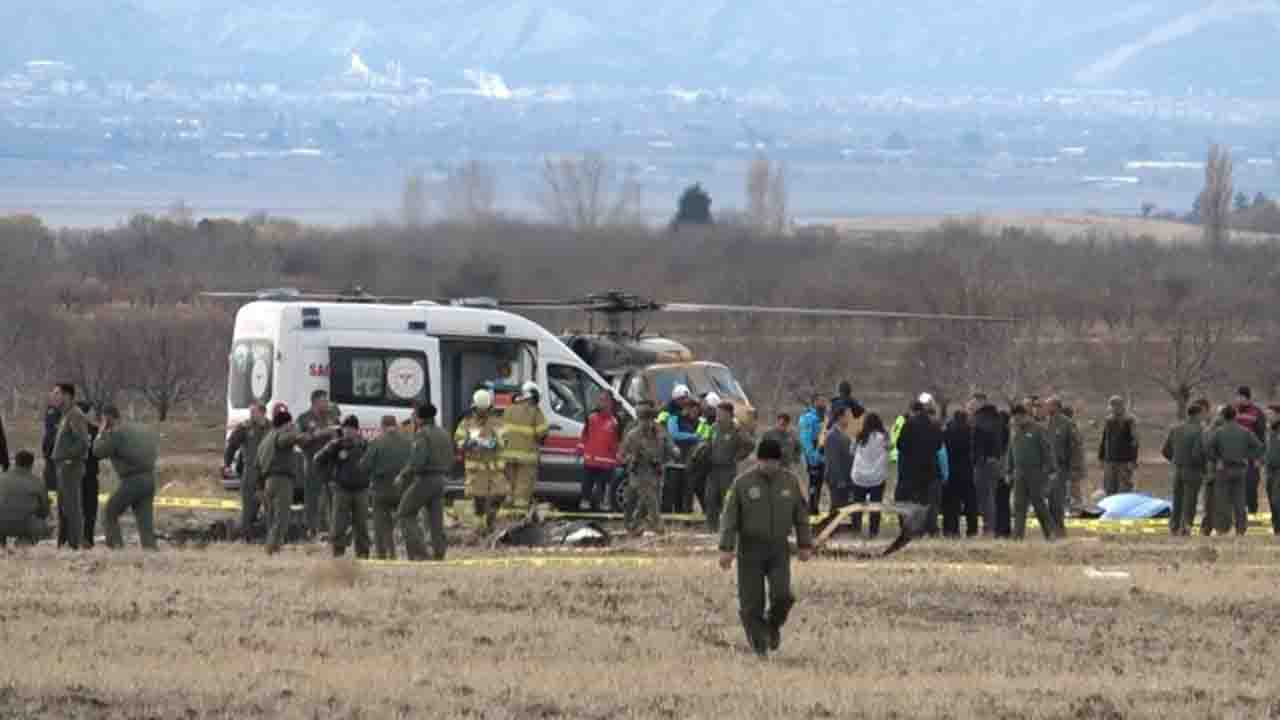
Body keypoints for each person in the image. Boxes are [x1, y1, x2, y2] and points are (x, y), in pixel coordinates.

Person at [718, 437, 813, 658]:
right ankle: (759, 646)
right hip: (750, 549)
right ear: (758, 460)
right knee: (752, 604)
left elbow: (801, 515)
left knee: (783, 595)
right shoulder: (742, 484)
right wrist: (726, 548)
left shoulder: (790, 482)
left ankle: (772, 626)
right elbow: (729, 518)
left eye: (774, 462)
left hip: (779, 548)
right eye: (766, 462)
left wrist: (805, 543)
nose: (770, 466)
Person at [92, 405, 160, 550]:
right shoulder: (140, 429)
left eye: (103, 419)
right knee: (145, 521)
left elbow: (98, 451)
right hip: (149, 478)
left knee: (110, 512)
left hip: (132, 481)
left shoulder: (116, 433)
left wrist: (100, 433)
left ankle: (117, 549)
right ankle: (151, 552)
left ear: (107, 417)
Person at [397, 403, 453, 561]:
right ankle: (439, 554)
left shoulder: (422, 434)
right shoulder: (443, 433)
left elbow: (417, 461)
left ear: (421, 418)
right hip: (442, 479)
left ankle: (419, 553)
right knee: (436, 520)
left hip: (426, 479)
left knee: (405, 513)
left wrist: (402, 475)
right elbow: (450, 457)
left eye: (415, 416)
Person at [619, 400, 679, 536]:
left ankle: (634, 526)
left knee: (647, 503)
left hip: (656, 472)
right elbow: (621, 454)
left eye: (650, 419)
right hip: (639, 473)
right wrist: (631, 458)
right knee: (650, 501)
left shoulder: (660, 432)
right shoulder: (632, 434)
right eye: (643, 419)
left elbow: (670, 445)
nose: (647, 423)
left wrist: (674, 451)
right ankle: (659, 528)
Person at [314, 415, 370, 558]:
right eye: (346, 428)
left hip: (361, 490)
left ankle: (363, 554)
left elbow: (373, 463)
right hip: (341, 490)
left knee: (361, 525)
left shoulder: (365, 445)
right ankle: (338, 553)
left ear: (357, 430)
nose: (348, 431)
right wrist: (327, 477)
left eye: (351, 428)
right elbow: (318, 459)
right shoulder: (336, 445)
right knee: (338, 524)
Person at [361, 415, 413, 560]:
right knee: (406, 521)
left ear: (382, 426)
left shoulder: (377, 442)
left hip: (382, 489)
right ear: (395, 425)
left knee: (381, 525)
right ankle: (412, 553)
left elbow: (365, 466)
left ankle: (383, 554)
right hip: (403, 488)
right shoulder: (408, 442)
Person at [1206, 405, 1263, 536]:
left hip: (1223, 469)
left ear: (1223, 417)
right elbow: (1259, 447)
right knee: (1240, 500)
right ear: (1235, 416)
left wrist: (1217, 459)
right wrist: (1248, 457)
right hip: (1240, 469)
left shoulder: (1219, 432)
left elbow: (1208, 449)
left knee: (1222, 500)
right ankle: (1241, 529)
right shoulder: (1245, 431)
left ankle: (1222, 529)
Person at [455, 389, 507, 532]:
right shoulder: (466, 423)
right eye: (480, 410)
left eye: (485, 410)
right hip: (476, 469)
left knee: (501, 493)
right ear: (475, 407)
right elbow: (458, 441)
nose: (482, 413)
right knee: (479, 498)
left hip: (494, 469)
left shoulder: (497, 423)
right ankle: (480, 527)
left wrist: (494, 443)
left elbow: (505, 440)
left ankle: (491, 517)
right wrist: (467, 443)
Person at [1006, 405, 1058, 541]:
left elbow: (1047, 451)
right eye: (1014, 419)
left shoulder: (1038, 430)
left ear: (1025, 416)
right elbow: (1010, 452)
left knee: (1039, 504)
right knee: (1019, 506)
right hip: (1019, 474)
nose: (1016, 421)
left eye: (1018, 418)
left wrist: (1050, 470)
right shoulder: (1014, 431)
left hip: (1036, 473)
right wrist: (1008, 471)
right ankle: (1017, 537)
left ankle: (1050, 534)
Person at [259, 404, 305, 555]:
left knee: (272, 519)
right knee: (282, 519)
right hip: (281, 481)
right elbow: (287, 440)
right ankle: (273, 549)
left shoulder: (267, 438)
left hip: (268, 482)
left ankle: (270, 547)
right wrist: (297, 431)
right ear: (285, 424)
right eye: (289, 423)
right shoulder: (281, 435)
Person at [296, 389, 341, 538]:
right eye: (324, 401)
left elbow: (339, 434)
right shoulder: (304, 418)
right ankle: (311, 529)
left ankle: (331, 529)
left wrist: (335, 435)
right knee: (312, 497)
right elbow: (298, 439)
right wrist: (317, 434)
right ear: (315, 402)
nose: (326, 404)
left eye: (327, 401)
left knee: (331, 497)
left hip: (330, 463)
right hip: (312, 462)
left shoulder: (331, 417)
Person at [50, 383, 90, 550]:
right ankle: (69, 543)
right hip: (63, 467)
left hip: (70, 467)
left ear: (67, 396)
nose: (53, 396)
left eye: (57, 393)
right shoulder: (65, 415)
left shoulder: (75, 414)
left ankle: (76, 545)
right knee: (65, 507)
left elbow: (82, 442)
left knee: (72, 507)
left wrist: (68, 458)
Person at [704, 401, 754, 532]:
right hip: (712, 469)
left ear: (729, 414)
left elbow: (750, 444)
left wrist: (738, 457)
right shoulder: (713, 427)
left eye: (720, 413)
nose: (718, 415)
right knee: (710, 498)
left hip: (728, 469)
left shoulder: (736, 428)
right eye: (717, 413)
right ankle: (711, 527)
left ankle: (729, 527)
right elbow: (705, 442)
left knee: (727, 499)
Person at [224, 400, 269, 541]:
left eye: (253, 412)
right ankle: (245, 538)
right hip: (250, 471)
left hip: (268, 472)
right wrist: (227, 464)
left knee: (270, 506)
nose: (251, 415)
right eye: (250, 412)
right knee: (248, 507)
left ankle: (270, 536)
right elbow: (232, 446)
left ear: (262, 412)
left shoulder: (272, 427)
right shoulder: (245, 427)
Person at [894, 399, 943, 529]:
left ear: (912, 411)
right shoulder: (933, 424)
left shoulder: (909, 424)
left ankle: (914, 527)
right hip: (929, 469)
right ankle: (927, 527)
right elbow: (938, 445)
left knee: (911, 500)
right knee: (925, 500)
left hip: (911, 470)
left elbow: (900, 445)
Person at [59, 401, 101, 548]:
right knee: (89, 510)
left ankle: (64, 540)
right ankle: (87, 539)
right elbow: (99, 452)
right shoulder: (95, 430)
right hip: (89, 474)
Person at [503, 381, 549, 513]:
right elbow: (542, 433)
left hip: (508, 456)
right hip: (527, 457)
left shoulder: (509, 409)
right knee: (522, 490)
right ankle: (519, 515)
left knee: (510, 487)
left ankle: (506, 515)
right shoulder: (535, 411)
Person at [1162, 403, 1206, 536]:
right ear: (1198, 414)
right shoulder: (1200, 430)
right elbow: (1198, 453)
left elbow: (1165, 451)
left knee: (1177, 499)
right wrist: (1203, 468)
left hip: (1178, 469)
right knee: (1190, 500)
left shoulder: (1175, 429)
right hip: (1193, 470)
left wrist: (1176, 461)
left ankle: (1173, 526)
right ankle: (1186, 527)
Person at [1043, 396, 1080, 536]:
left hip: (1061, 467)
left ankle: (1059, 529)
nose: (1046, 408)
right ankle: (1051, 528)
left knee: (1057, 499)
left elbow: (1075, 447)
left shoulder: (1067, 424)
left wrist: (1074, 468)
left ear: (1056, 407)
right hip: (1046, 468)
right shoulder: (1045, 423)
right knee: (1049, 498)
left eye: (1049, 406)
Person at [850, 412, 890, 538]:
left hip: (859, 476)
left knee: (857, 506)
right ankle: (873, 532)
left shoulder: (859, 436)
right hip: (877, 477)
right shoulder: (883, 437)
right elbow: (890, 448)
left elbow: (851, 451)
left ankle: (856, 530)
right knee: (875, 506)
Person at [579, 391, 620, 512]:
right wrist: (580, 448)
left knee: (602, 485)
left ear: (611, 403)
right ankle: (585, 501)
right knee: (587, 484)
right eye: (600, 400)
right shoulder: (591, 418)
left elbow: (617, 441)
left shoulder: (615, 421)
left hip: (606, 461)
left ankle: (601, 504)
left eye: (605, 400)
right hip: (590, 459)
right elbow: (584, 435)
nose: (602, 403)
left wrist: (618, 455)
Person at [0, 451, 51, 546]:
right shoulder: (37, 482)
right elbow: (45, 511)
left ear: (15, 462)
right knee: (44, 526)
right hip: (24, 525)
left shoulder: (2, 478)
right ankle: (24, 543)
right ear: (31, 465)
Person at [942, 408, 978, 537]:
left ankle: (952, 530)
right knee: (970, 503)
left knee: (951, 504)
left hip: (951, 471)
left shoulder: (947, 433)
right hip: (967, 471)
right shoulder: (971, 432)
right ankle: (972, 530)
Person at [1233, 386, 1267, 514]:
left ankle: (1252, 512)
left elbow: (1261, 436)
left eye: (1239, 397)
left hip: (1252, 456)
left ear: (1246, 398)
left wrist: (1260, 457)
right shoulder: (1233, 411)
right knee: (1236, 486)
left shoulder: (1257, 412)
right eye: (1237, 397)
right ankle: (1238, 514)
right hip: (1235, 455)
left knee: (1251, 485)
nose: (1237, 399)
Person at [1098, 395, 1139, 496]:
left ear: (1121, 406)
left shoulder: (1129, 420)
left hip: (1124, 461)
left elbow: (1135, 441)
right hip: (1110, 460)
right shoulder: (1108, 420)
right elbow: (1104, 439)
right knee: (1109, 488)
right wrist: (1101, 457)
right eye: (1112, 406)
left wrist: (1133, 460)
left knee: (1124, 490)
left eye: (1115, 405)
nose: (1113, 408)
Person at [822, 407, 854, 515]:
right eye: (847, 417)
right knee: (836, 508)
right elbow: (833, 460)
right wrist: (840, 480)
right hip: (837, 479)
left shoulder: (843, 434)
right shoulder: (832, 436)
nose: (849, 420)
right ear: (840, 418)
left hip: (845, 478)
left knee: (843, 507)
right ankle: (829, 530)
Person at [798, 394, 827, 514]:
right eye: (820, 401)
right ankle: (811, 508)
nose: (823, 404)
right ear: (814, 402)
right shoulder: (808, 418)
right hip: (813, 455)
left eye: (824, 401)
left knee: (818, 483)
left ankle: (814, 507)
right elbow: (806, 440)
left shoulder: (822, 417)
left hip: (822, 454)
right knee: (814, 483)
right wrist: (813, 457)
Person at [1266, 408, 1280, 535]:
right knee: (1271, 499)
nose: (1268, 416)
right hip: (1269, 470)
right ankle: (1276, 528)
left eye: (1271, 414)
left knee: (1276, 500)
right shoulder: (1270, 431)